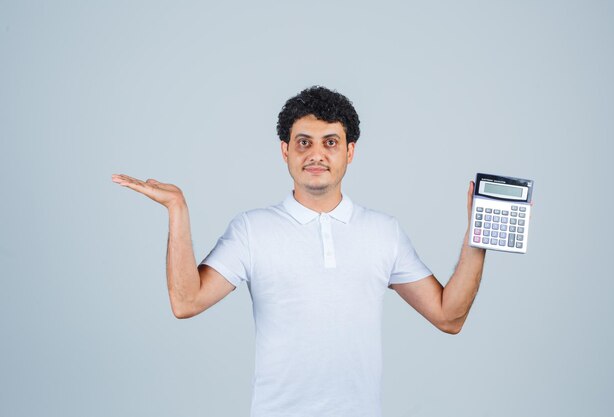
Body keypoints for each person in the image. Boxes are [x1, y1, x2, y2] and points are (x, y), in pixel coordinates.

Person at [111, 86, 486, 417]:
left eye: (331, 142)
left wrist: (478, 236)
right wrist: (178, 209)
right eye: (304, 142)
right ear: (285, 150)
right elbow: (186, 302)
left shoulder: (383, 232)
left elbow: (448, 317)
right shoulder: (251, 229)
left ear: (350, 151)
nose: (316, 154)